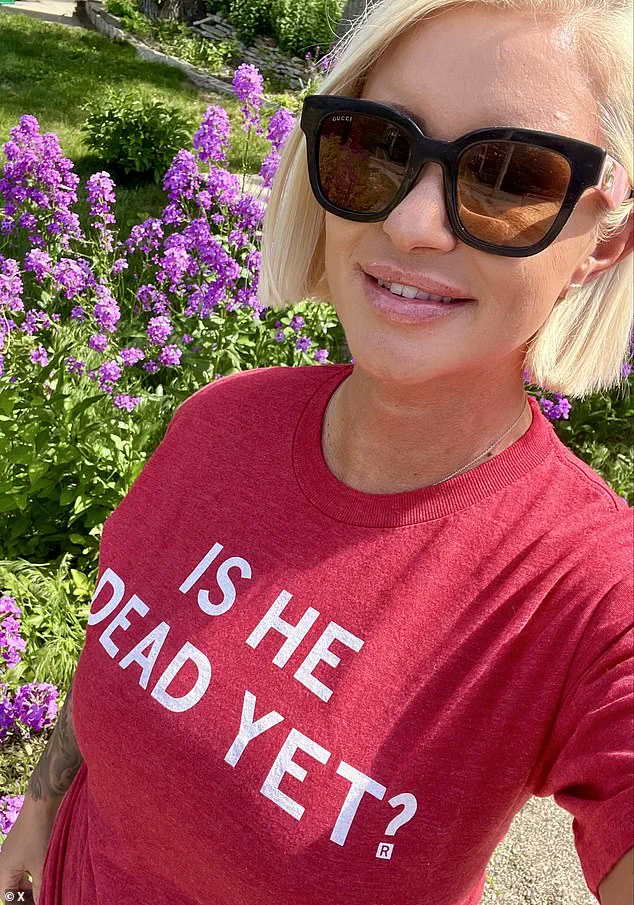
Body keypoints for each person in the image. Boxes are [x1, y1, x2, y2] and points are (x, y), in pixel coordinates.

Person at [1, 0, 633, 902]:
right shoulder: (218, 422)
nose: (413, 224)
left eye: (507, 177)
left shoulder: (587, 589)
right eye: (377, 146)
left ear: (605, 239)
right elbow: (124, 633)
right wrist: (39, 805)